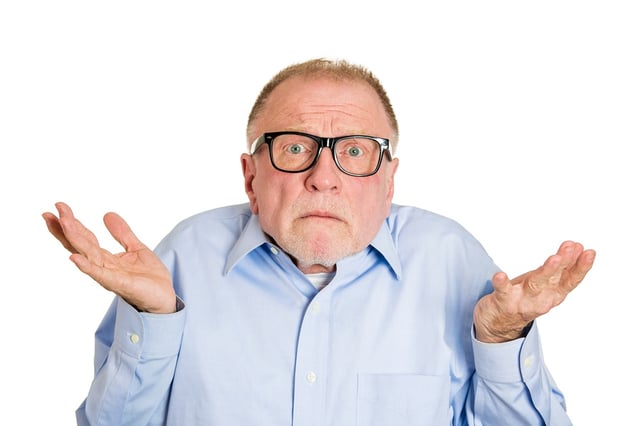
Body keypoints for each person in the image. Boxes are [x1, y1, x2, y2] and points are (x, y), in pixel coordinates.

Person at [43, 58, 595, 426]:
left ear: (390, 178)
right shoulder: (183, 256)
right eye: (295, 147)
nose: (323, 177)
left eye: (354, 150)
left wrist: (501, 339)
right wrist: (153, 318)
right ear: (250, 177)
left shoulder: (451, 259)